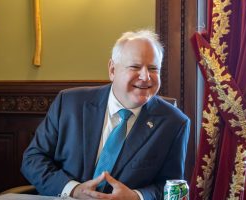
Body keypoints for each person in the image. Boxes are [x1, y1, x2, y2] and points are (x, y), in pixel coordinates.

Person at [21, 29, 190, 200]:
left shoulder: (174, 123)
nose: (146, 77)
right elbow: (33, 159)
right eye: (135, 67)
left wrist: (136, 197)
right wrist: (74, 190)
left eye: (153, 68)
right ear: (112, 70)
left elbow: (170, 185)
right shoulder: (69, 103)